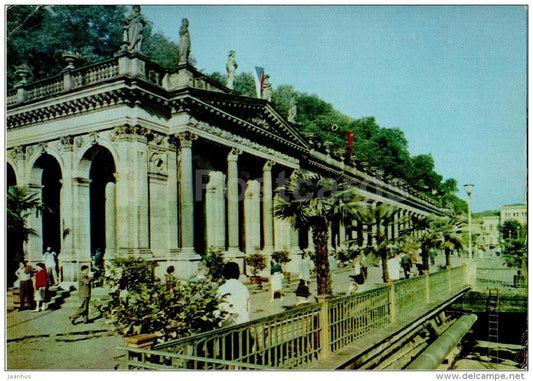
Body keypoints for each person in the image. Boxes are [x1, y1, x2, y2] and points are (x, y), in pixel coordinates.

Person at [216, 262, 250, 327]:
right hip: (243, 323)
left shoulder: (221, 289)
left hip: (228, 325)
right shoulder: (243, 288)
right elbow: (247, 307)